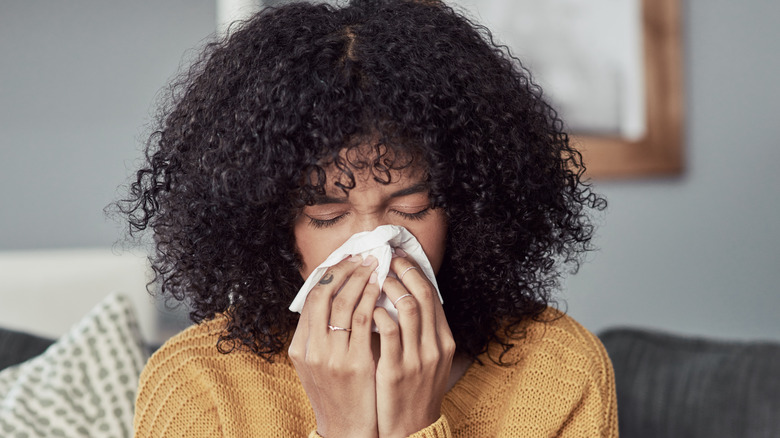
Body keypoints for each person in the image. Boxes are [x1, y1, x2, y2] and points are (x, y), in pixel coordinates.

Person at [120, 0, 616, 436]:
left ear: (468, 207)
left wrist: (413, 427)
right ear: (269, 224)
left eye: (409, 208)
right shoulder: (198, 382)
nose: (373, 243)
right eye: (326, 212)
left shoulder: (557, 367)